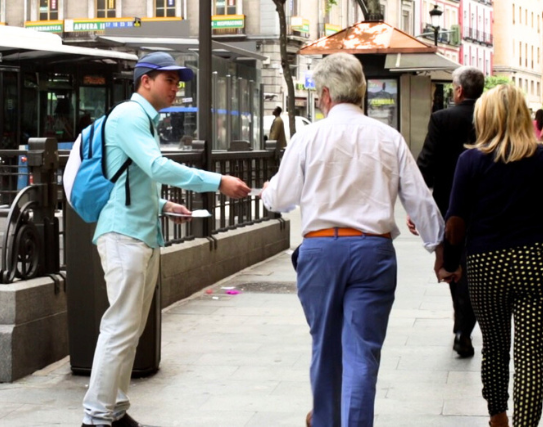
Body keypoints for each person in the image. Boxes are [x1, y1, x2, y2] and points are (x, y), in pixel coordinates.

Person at [261, 53, 444, 427]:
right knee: (362, 353)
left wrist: (267, 191)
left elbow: (280, 199)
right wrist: (438, 250)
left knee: (325, 348)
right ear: (360, 92)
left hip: (321, 250)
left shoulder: (308, 136)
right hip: (372, 252)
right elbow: (420, 198)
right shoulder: (388, 137)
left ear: (326, 95)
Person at [81, 52, 250, 427]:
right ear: (145, 81)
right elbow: (156, 166)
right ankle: (95, 418)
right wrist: (217, 181)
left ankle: (115, 409)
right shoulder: (129, 116)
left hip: (139, 232)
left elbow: (130, 177)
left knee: (130, 329)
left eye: (178, 81)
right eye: (169, 80)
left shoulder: (143, 120)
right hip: (123, 234)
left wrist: (162, 202)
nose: (176, 87)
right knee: (120, 327)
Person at [438, 85, 543, 427]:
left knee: (494, 347)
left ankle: (498, 418)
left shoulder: (470, 160)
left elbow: (455, 223)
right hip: (537, 261)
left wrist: (449, 264)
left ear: (485, 118)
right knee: (530, 356)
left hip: (486, 264)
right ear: (524, 117)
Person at [412, 65, 485, 358]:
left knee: (455, 265)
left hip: (450, 206)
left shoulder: (442, 118)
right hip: (486, 205)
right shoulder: (489, 116)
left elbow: (426, 163)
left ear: (458, 90)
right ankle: (464, 328)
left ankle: (461, 327)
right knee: (476, 267)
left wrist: (418, 206)